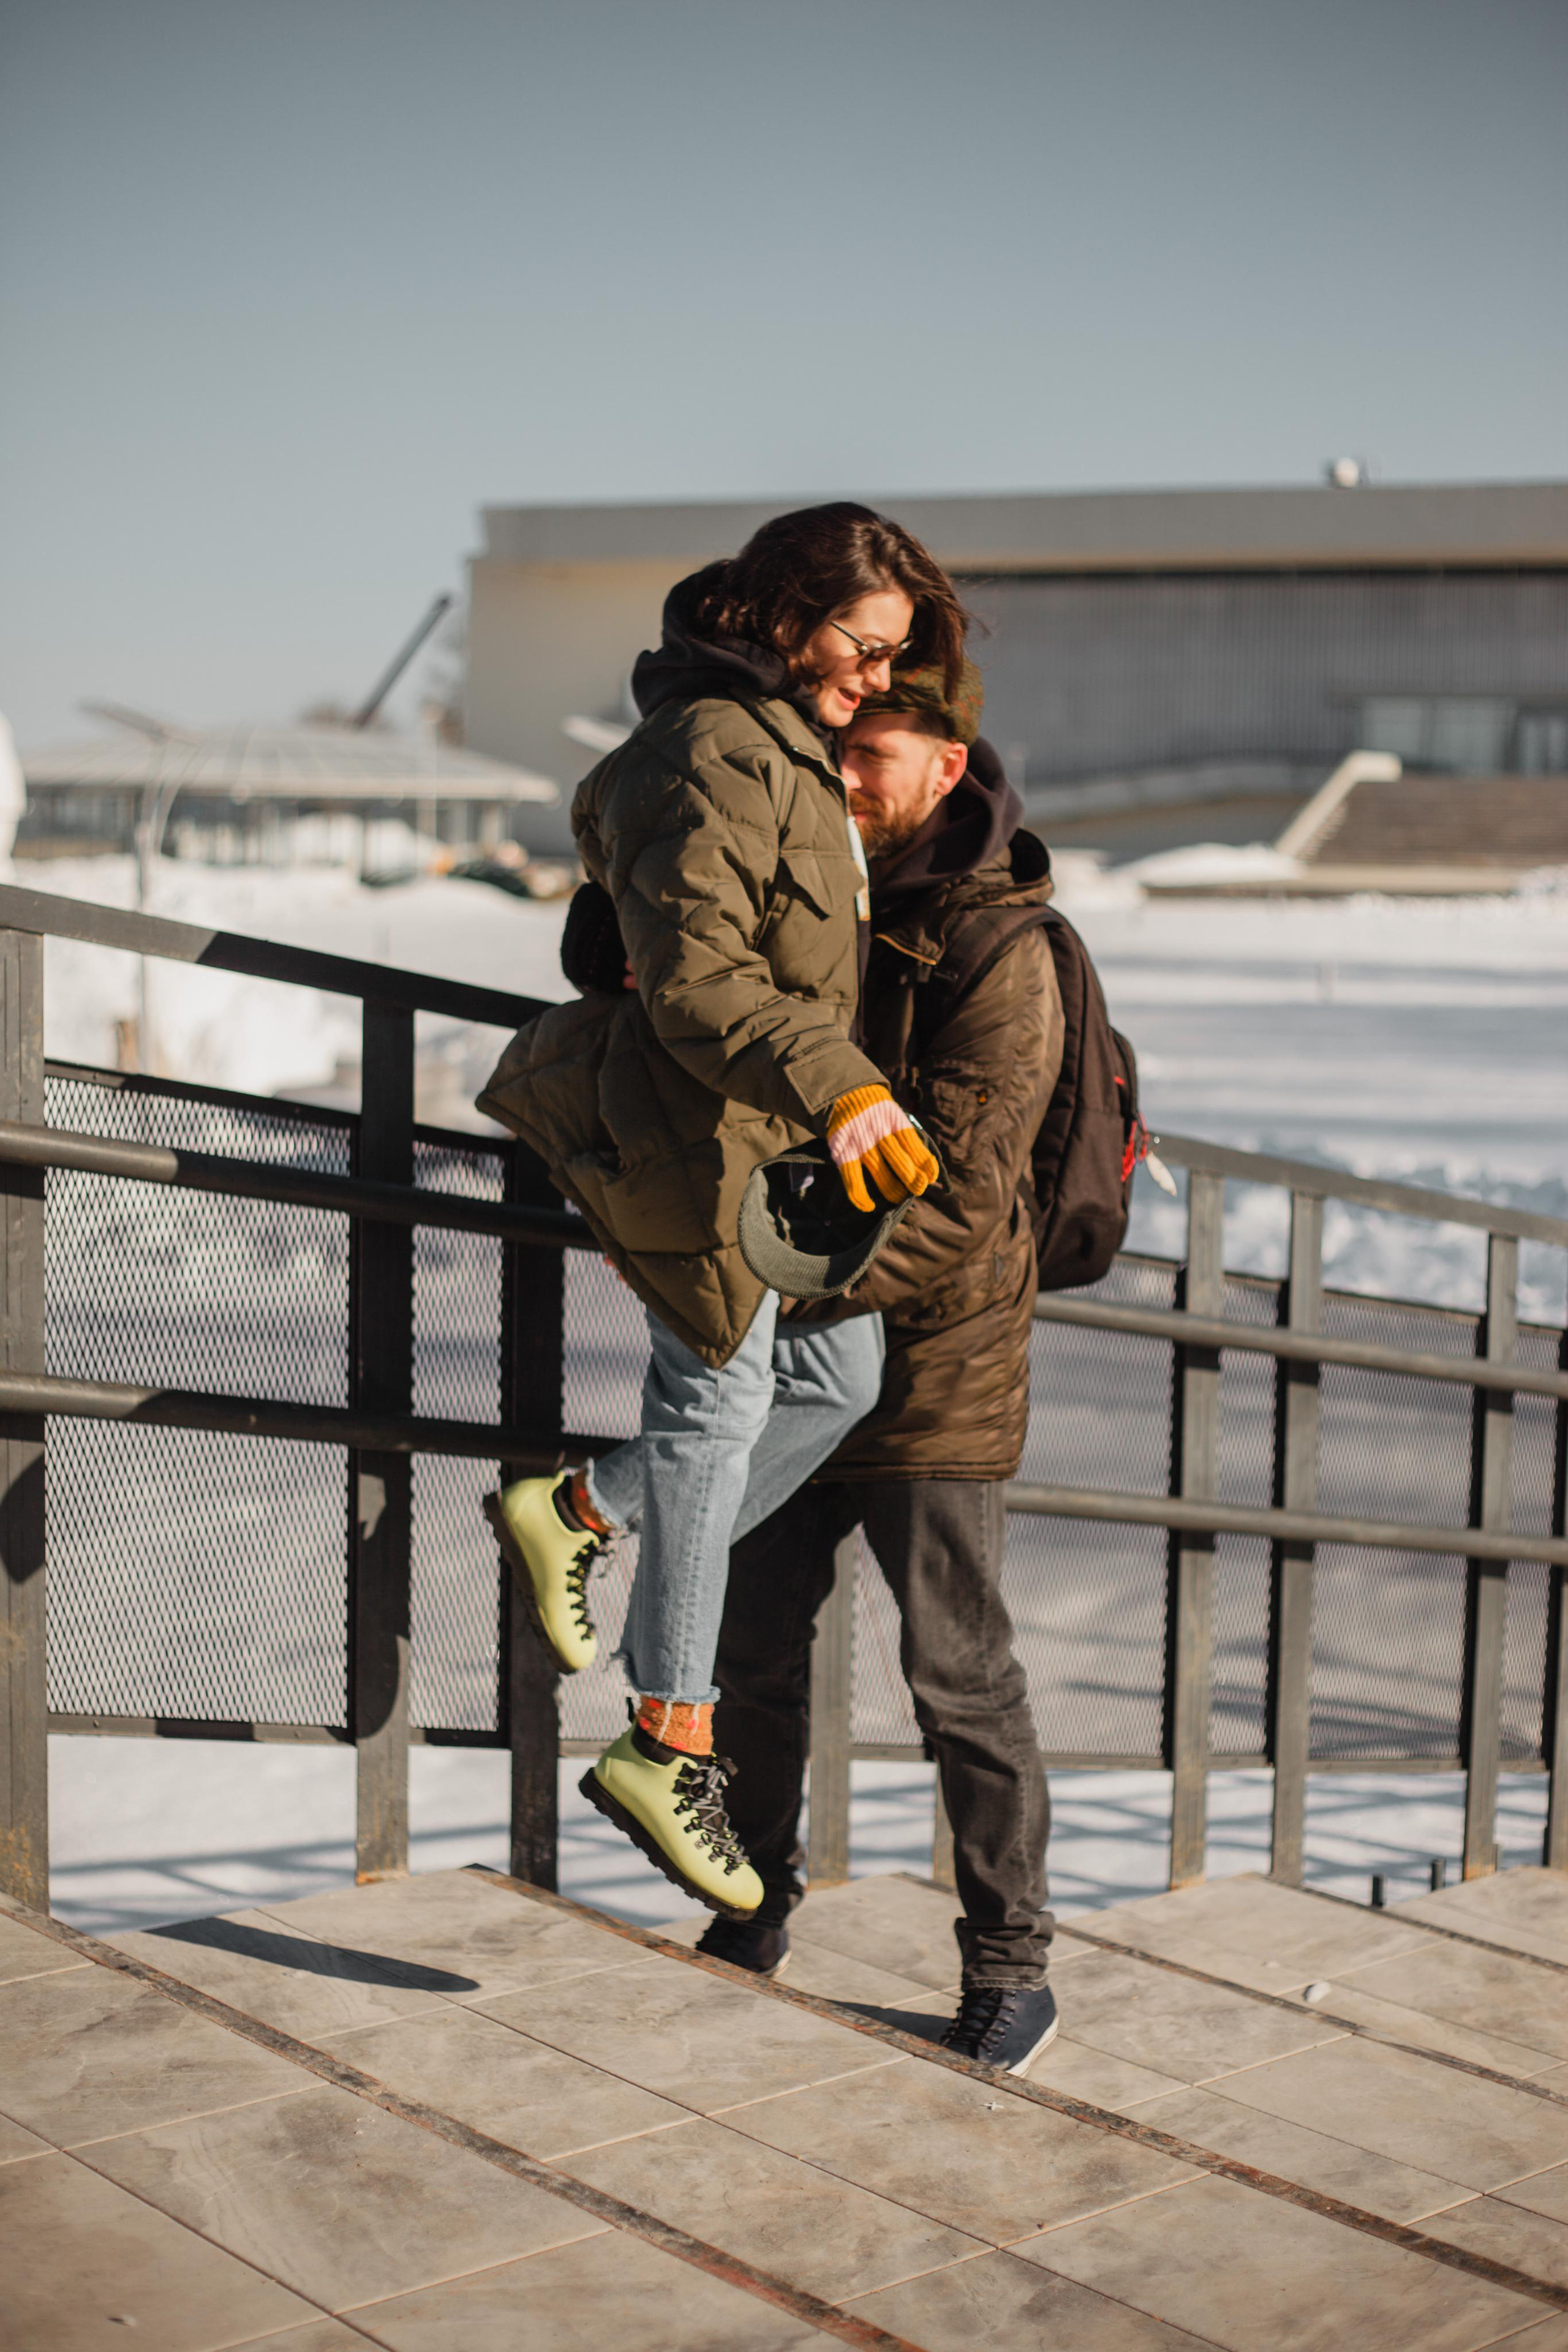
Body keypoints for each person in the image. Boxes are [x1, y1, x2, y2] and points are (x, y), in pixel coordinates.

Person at [477, 504, 968, 1917]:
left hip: (756, 1143)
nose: (875, 675)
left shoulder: (781, 748)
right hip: (692, 1137)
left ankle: (578, 1508)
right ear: (782, 614)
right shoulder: (709, 747)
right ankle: (664, 1740)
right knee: (714, 1408)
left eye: (892, 656)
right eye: (861, 644)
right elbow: (695, 981)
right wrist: (841, 1084)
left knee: (836, 1375)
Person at [698, 656, 1068, 2076]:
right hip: (797, 1350)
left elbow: (964, 1201)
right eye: (836, 748)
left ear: (948, 763)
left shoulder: (999, 947)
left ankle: (1011, 1967)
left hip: (931, 1367)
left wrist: (784, 1289)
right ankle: (751, 1911)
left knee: (956, 1675)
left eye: (876, 753)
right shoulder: (808, 894)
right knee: (750, 1655)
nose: (846, 775)